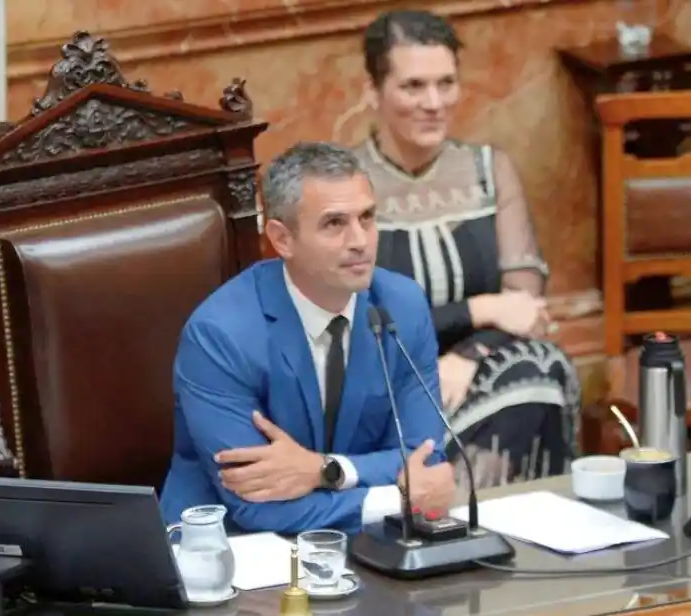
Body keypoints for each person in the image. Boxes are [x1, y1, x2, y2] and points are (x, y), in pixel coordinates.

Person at [161, 141, 457, 535]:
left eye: (367, 218)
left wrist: (322, 471)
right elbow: (254, 503)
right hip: (234, 552)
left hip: (362, 544)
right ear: (282, 239)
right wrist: (396, 498)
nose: (360, 241)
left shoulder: (400, 307)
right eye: (334, 223)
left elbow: (425, 460)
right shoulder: (220, 334)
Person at [348, 9, 582, 489]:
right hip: (389, 381)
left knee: (540, 367)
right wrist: (479, 308)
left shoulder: (488, 170)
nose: (433, 102)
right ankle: (460, 514)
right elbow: (360, 327)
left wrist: (468, 354)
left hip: (482, 370)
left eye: (446, 83)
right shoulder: (346, 184)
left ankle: (470, 511)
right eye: (413, 86)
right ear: (373, 91)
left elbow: (526, 306)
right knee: (533, 378)